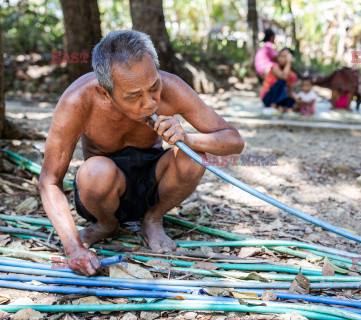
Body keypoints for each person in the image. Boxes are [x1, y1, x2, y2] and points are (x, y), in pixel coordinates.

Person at [38, 30, 245, 276]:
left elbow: (234, 141)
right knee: (95, 171)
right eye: (134, 96)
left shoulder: (171, 87)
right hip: (103, 191)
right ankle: (106, 225)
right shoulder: (78, 100)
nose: (149, 103)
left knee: (194, 154)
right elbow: (49, 181)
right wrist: (73, 248)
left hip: (153, 183)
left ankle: (153, 218)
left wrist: (188, 138)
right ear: (106, 93)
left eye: (154, 86)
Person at [261, 47, 297, 114]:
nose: (281, 59)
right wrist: (288, 62)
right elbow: (284, 77)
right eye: (280, 56)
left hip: (281, 97)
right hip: (268, 98)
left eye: (284, 57)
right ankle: (274, 105)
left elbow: (291, 91)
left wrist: (298, 100)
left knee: (293, 102)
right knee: (281, 82)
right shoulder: (275, 67)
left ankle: (281, 107)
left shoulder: (291, 73)